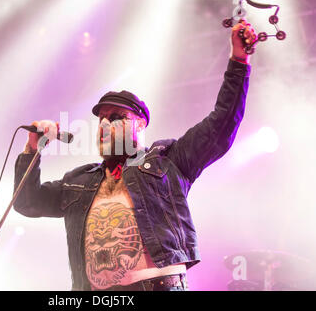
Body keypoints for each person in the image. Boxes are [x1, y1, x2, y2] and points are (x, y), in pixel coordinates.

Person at [13, 19, 257, 291]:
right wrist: (32, 147)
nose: (105, 125)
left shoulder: (168, 161)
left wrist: (239, 60)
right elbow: (27, 202)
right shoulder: (79, 180)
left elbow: (221, 125)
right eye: (101, 120)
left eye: (116, 118)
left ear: (139, 124)